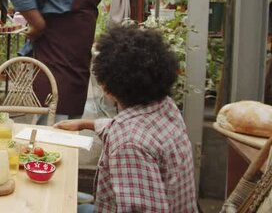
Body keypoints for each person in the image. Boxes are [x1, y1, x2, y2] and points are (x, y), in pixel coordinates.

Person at [56, 25, 197, 212]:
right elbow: (138, 131)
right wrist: (86, 124)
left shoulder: (128, 142)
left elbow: (130, 138)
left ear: (106, 87)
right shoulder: (166, 107)